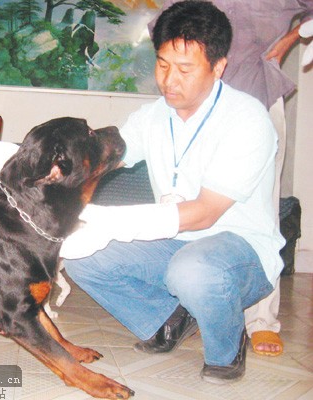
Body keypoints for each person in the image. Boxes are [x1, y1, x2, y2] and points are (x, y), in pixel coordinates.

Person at [59, 0, 285, 383]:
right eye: (162, 65)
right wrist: (52, 163)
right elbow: (107, 153)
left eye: (184, 69)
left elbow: (206, 212)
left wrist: (113, 219)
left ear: (218, 67)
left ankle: (227, 349)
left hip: (240, 252)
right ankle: (167, 321)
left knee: (192, 269)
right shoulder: (152, 117)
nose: (169, 80)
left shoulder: (247, 119)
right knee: (84, 255)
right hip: (177, 243)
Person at [151, 0, 313, 360]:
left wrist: (290, 41)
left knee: (262, 213)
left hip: (256, 93)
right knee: (187, 201)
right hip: (196, 105)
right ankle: (196, 302)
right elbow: (164, 23)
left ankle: (261, 321)